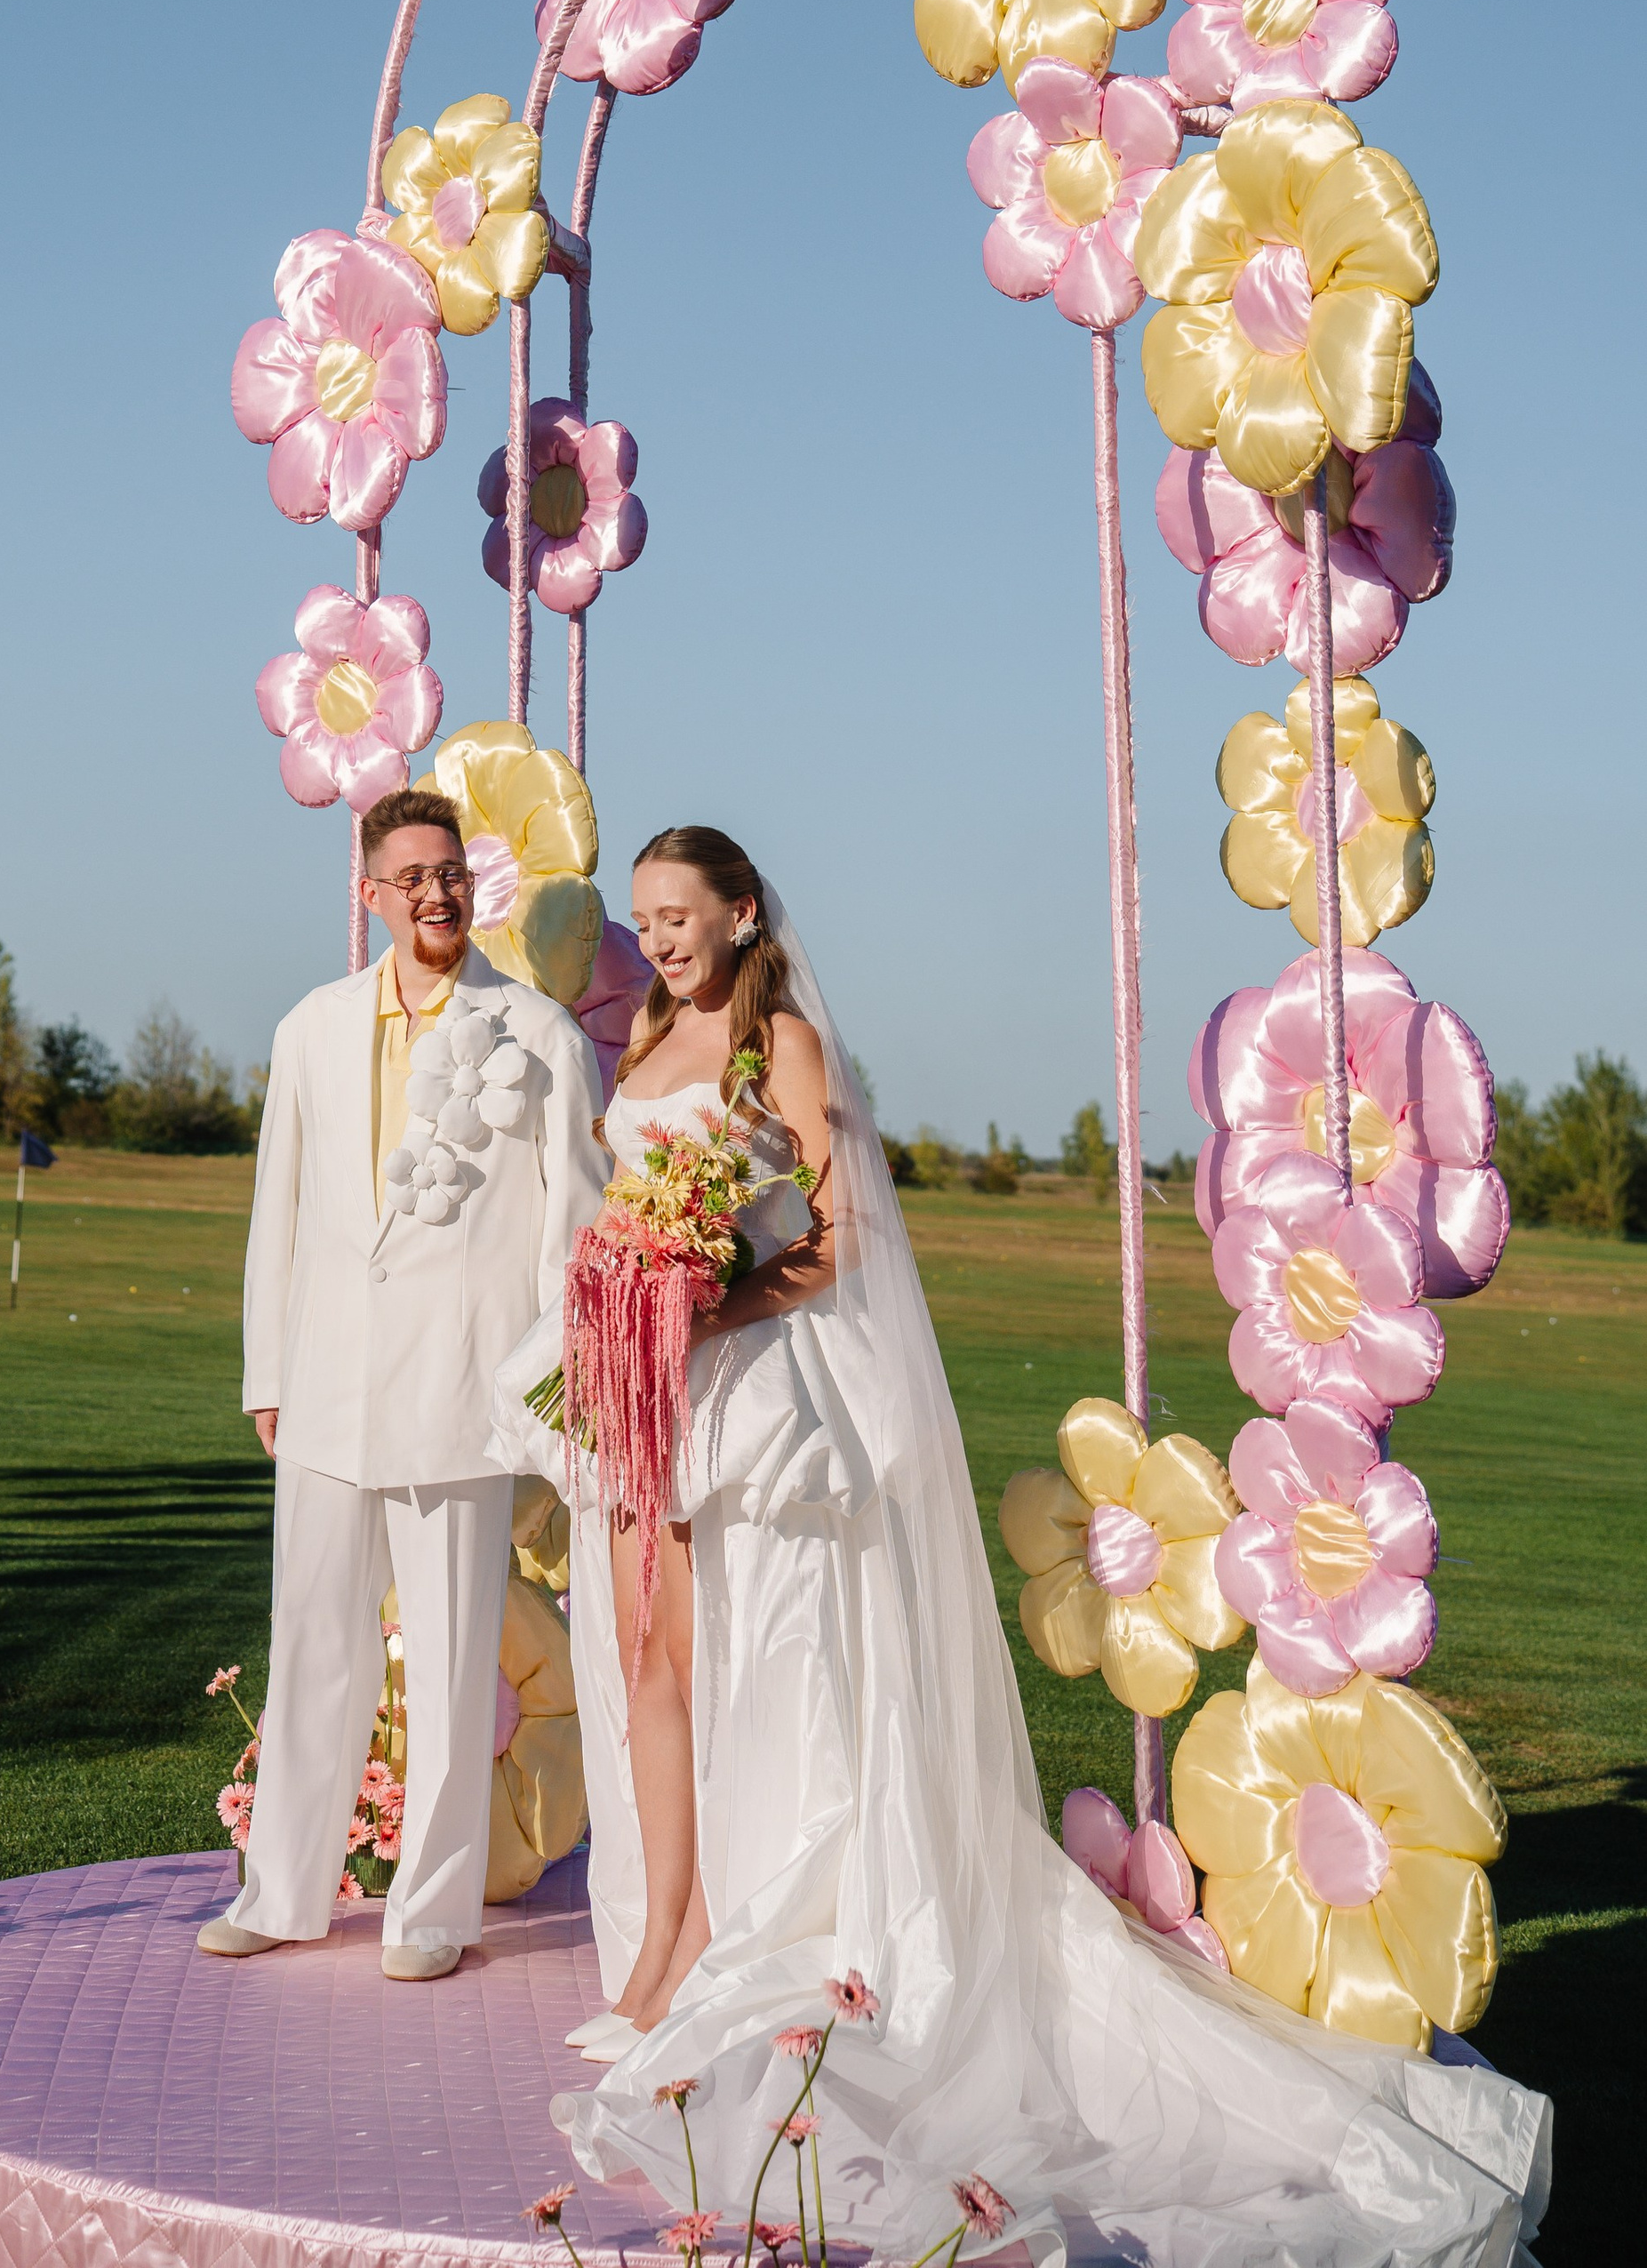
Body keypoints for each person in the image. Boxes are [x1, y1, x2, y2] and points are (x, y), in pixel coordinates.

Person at [518, 825, 1550, 2268]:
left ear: (745, 914)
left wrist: (711, 1303)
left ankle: (705, 1947)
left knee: (732, 1659)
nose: (664, 939)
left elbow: (834, 1241)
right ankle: (659, 1944)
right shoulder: (640, 1045)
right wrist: (625, 1290)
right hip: (649, 1395)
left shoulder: (786, 1048)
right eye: (647, 919)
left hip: (748, 1392)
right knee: (647, 1660)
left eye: (682, 916)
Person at [204, 786, 604, 1981]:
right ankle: (281, 1893)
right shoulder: (309, 1029)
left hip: (464, 1395)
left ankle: (431, 1912)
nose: (435, 892)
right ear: (369, 893)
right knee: (310, 1645)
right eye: (411, 875)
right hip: (326, 1389)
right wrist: (267, 1373)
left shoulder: (539, 1037)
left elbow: (571, 1235)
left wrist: (543, 1395)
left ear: (469, 887)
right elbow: (277, 1212)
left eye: (450, 874)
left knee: (448, 1658)